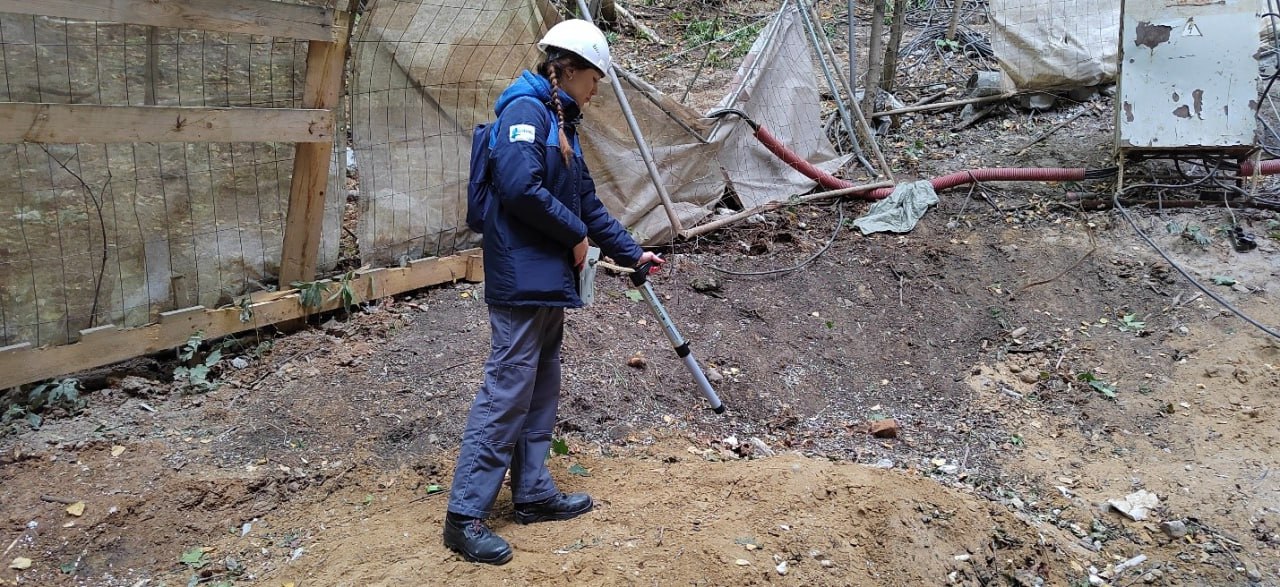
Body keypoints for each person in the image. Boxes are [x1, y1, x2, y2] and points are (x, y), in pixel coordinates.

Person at [443, 19, 665, 565]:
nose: (597, 88)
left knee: (540, 385)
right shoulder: (525, 111)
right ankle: (464, 516)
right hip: (522, 277)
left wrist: (631, 252)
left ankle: (533, 491)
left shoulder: (561, 120)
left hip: (547, 278)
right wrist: (576, 235)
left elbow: (584, 202)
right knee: (507, 391)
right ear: (568, 69)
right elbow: (521, 189)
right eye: (595, 78)